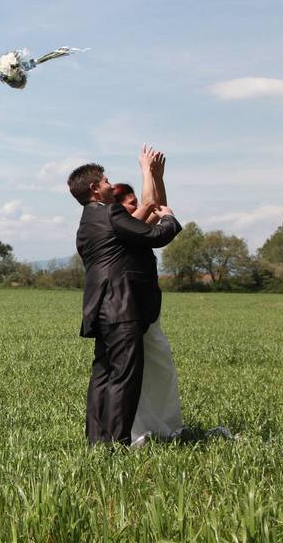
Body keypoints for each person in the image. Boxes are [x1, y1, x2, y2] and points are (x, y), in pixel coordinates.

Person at [67, 161, 182, 446]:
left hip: (100, 308)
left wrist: (153, 176)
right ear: (95, 188)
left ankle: (97, 442)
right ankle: (118, 444)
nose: (109, 184)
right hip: (122, 306)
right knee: (123, 379)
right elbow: (155, 235)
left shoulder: (86, 224)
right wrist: (169, 217)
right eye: (105, 181)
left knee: (102, 376)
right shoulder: (110, 213)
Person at [112, 146, 184, 445]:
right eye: (130, 203)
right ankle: (139, 433)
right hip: (130, 313)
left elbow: (157, 206)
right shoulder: (120, 227)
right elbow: (152, 204)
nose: (136, 206)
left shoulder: (135, 227)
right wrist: (146, 171)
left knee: (161, 371)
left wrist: (157, 176)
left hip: (147, 312)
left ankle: (166, 430)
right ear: (120, 208)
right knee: (138, 377)